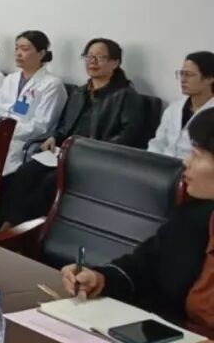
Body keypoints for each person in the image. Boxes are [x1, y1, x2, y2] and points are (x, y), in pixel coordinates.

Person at [61, 108, 214, 329]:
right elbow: (143, 267)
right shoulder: (195, 216)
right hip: (177, 341)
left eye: (197, 155)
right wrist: (99, 279)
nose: (186, 162)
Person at [0, 38, 146, 226]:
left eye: (100, 57)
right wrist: (54, 137)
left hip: (95, 159)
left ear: (115, 63)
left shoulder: (126, 96)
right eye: (89, 57)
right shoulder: (80, 92)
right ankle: (8, 224)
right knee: (24, 174)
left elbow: (128, 136)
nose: (92, 62)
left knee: (50, 183)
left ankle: (23, 230)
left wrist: (92, 151)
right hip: (64, 153)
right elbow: (65, 126)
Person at [0, 30, 68, 178]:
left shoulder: (52, 84)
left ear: (41, 53)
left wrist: (5, 130)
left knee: (0, 174)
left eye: (25, 49)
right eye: (16, 48)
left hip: (22, 143)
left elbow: (41, 126)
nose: (18, 53)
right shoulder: (10, 79)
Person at [150, 52, 214, 160]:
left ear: (210, 79)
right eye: (181, 74)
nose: (183, 80)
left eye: (189, 75)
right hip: (163, 165)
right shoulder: (173, 109)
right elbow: (158, 143)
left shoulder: (211, 114)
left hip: (193, 168)